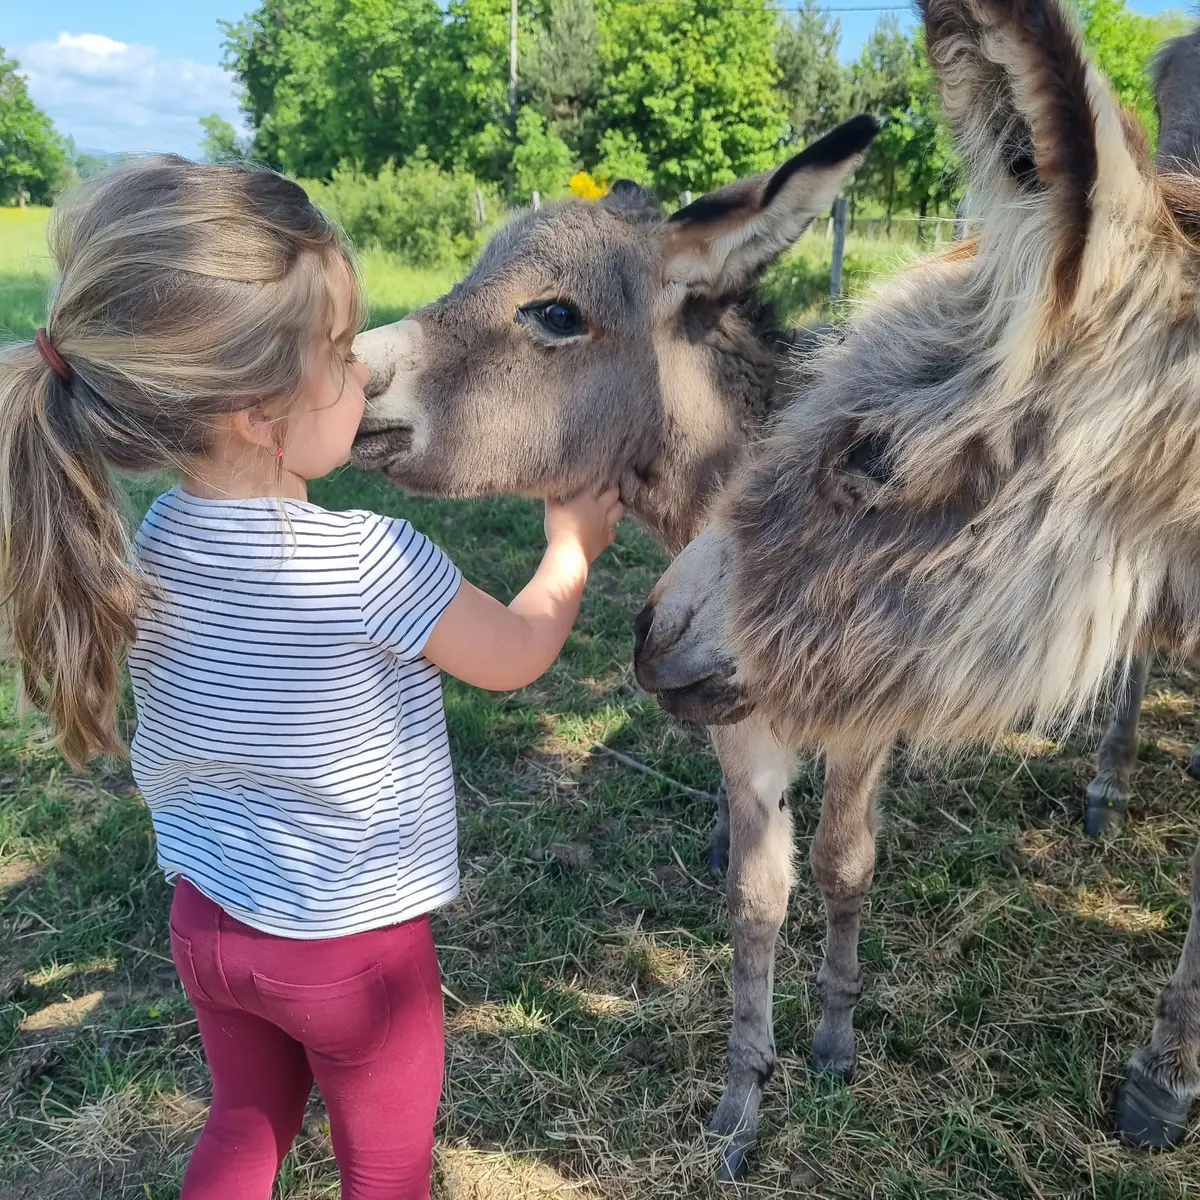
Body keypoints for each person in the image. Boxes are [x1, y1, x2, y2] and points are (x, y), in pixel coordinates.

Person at [0, 156, 623, 1200]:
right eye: (339, 355)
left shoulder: (154, 538)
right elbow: (514, 658)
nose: (366, 374)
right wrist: (571, 552)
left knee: (245, 1128)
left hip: (206, 925)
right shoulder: (370, 561)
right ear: (255, 410)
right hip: (351, 956)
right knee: (385, 1172)